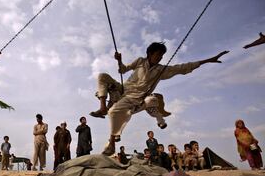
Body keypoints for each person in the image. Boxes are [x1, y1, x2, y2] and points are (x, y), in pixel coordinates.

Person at [92, 42, 229, 155]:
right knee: (102, 76)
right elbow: (123, 70)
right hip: (122, 89)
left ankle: (111, 144)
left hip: (135, 98)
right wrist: (119, 60)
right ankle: (102, 107)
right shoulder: (140, 61)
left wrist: (207, 61)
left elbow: (181, 68)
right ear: (150, 54)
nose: (160, 58)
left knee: (115, 112)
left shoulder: (161, 70)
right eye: (158, 55)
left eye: (162, 56)